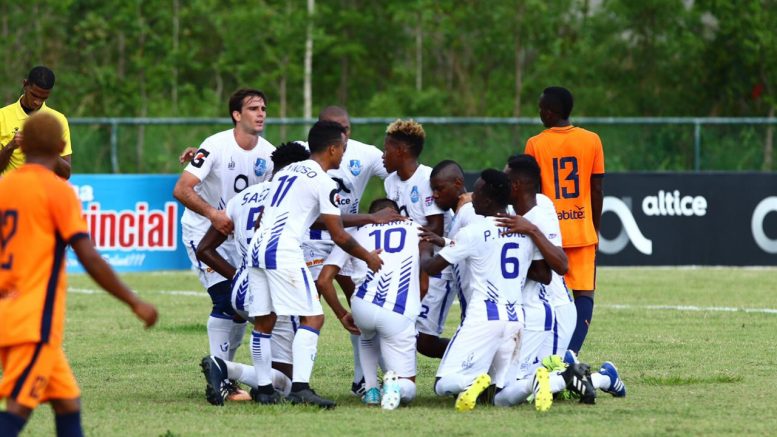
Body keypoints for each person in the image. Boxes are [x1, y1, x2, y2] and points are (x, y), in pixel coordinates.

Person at [0, 113, 157, 437]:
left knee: (67, 402)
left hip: (9, 314)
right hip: (33, 324)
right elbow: (87, 255)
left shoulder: (5, 186)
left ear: (21, 146)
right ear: (60, 147)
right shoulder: (57, 191)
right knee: (17, 410)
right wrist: (133, 301)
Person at [246, 120, 382, 408]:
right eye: (343, 148)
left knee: (264, 321)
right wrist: (369, 257)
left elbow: (263, 215)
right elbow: (339, 235)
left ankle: (264, 389)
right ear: (332, 148)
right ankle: (300, 388)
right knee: (313, 318)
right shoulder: (323, 181)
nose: (344, 155)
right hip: (282, 250)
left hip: (257, 247)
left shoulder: (287, 171)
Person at [421, 169, 550, 412]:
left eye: (477, 194)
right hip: (515, 320)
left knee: (442, 384)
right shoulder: (522, 229)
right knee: (498, 397)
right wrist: (447, 243)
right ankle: (531, 384)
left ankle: (473, 380)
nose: (471, 198)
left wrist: (424, 246)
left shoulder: (473, 231)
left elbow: (432, 267)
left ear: (489, 200)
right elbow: (541, 273)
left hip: (483, 317)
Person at [196, 142, 310, 405]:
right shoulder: (295, 196)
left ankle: (255, 386)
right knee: (287, 384)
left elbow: (204, 248)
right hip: (276, 286)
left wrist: (237, 277)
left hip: (244, 287)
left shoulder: (243, 197)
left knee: (263, 339)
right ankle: (225, 368)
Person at [172, 89, 275, 381]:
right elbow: (181, 189)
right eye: (253, 108)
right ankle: (220, 378)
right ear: (236, 115)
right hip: (203, 232)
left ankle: (225, 375)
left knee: (242, 304)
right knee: (225, 299)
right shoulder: (215, 145)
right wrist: (213, 215)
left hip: (237, 240)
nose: (261, 114)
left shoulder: (267, 154)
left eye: (264, 108)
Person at [301, 106, 391, 397]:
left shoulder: (365, 153)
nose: (344, 135)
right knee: (306, 311)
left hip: (348, 240)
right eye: (336, 129)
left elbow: (397, 169)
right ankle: (291, 380)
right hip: (312, 238)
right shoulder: (304, 154)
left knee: (361, 307)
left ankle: (362, 380)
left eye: (347, 128)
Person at [316, 199, 422, 410]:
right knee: (409, 389)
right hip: (397, 312)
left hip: (361, 307)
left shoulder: (356, 233)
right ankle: (394, 386)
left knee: (367, 336)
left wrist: (340, 313)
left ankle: (372, 390)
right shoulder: (413, 227)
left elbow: (323, 280)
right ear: (396, 213)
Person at [524, 86, 605, 354]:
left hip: (549, 234)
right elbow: (596, 189)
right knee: (584, 295)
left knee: (545, 295)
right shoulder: (592, 140)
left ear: (549, 112)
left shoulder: (535, 144)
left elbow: (530, 190)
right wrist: (595, 228)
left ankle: (548, 355)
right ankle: (569, 356)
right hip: (581, 231)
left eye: (540, 109)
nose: (539, 113)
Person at [382, 119, 453, 359]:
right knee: (404, 332)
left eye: (387, 149)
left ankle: (476, 357)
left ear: (401, 151)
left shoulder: (427, 178)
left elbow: (436, 228)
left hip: (438, 264)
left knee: (425, 342)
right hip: (412, 263)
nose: (383, 155)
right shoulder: (389, 181)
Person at [0, 66, 72, 179]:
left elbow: (66, 174)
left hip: (43, 193)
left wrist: (47, 147)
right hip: (11, 191)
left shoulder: (58, 120)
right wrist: (11, 146)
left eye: (44, 98)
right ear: (25, 84)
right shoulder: (2, 116)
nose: (37, 102)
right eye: (34, 95)